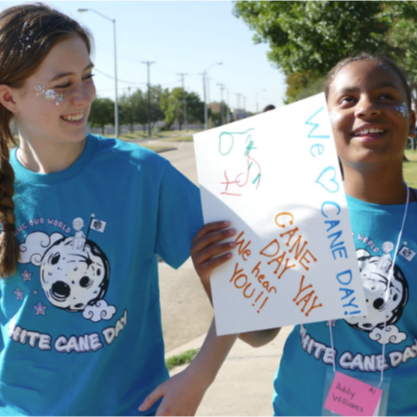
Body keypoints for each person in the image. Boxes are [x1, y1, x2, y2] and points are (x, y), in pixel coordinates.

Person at [0, 4, 235, 416]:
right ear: (8, 96)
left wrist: (198, 377)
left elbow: (250, 284)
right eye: (62, 84)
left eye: (87, 77)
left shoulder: (142, 173)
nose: (84, 96)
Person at [192, 53, 417, 416]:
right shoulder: (295, 216)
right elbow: (260, 334)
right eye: (348, 99)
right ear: (323, 122)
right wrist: (215, 280)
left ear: (413, 118)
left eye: (387, 96)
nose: (367, 108)